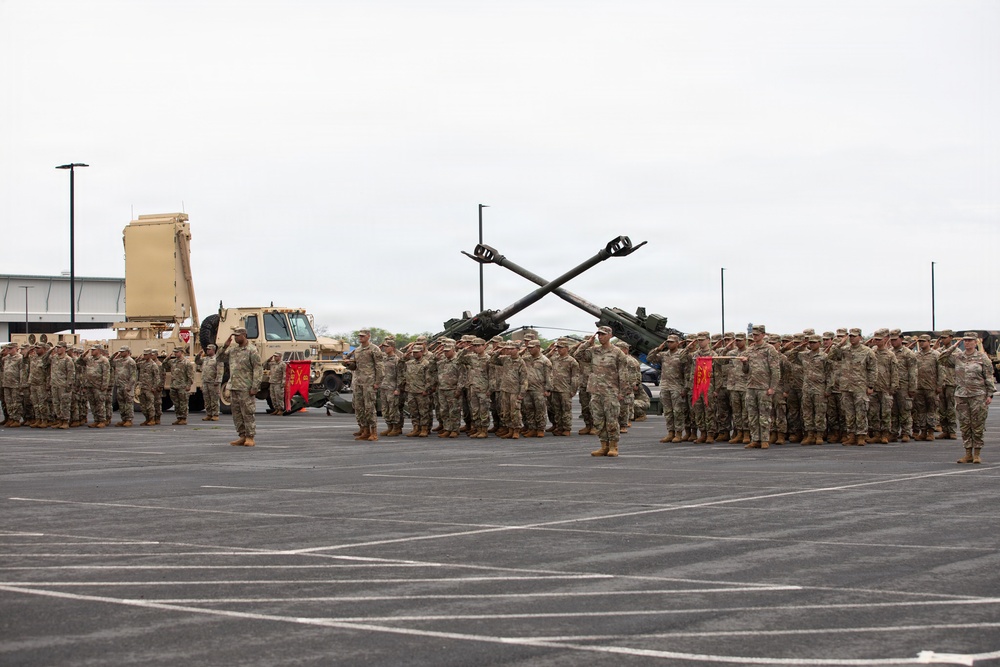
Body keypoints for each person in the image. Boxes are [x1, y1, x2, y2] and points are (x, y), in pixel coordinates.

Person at [938, 332, 995, 464]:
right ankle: (968, 453)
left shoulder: (982, 358)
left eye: (970, 340)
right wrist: (953, 346)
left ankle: (977, 453)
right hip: (962, 396)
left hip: (978, 396)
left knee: (977, 425)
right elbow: (941, 359)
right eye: (965, 340)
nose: (967, 343)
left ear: (976, 342)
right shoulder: (958, 357)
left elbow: (989, 377)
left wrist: (990, 395)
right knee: (964, 425)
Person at [575, 326, 629, 457]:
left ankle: (613, 446)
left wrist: (622, 392)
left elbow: (623, 373)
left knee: (611, 420)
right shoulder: (594, 351)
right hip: (596, 390)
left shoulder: (617, 353)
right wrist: (588, 343)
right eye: (598, 334)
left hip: (611, 391)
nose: (600, 337)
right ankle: (603, 445)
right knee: (598, 420)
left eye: (603, 334)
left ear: (610, 335)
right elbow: (577, 355)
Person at [829, 328, 876, 446]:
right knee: (849, 413)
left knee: (861, 412)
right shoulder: (844, 350)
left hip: (860, 386)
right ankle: (851, 435)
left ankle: (861, 435)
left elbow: (872, 370)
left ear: (860, 337)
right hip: (845, 386)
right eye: (850, 336)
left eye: (854, 336)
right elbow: (831, 356)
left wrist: (870, 385)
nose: (852, 338)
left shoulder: (867, 351)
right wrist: (840, 343)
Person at [218, 327, 262, 446]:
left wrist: (255, 386)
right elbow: (219, 358)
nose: (235, 338)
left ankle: (250, 436)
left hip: (246, 387)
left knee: (247, 412)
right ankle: (242, 435)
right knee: (236, 413)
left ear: (244, 335)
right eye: (234, 336)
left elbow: (258, 369)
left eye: (237, 335)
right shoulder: (233, 350)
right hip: (234, 386)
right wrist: (225, 346)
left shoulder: (252, 350)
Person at [741, 325, 781, 450]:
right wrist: (745, 363)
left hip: (764, 387)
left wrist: (772, 387)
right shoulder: (750, 350)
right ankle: (755, 439)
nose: (755, 337)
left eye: (757, 335)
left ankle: (765, 439)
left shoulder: (769, 349)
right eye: (753, 335)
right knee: (752, 415)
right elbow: (745, 371)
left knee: (764, 415)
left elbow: (775, 370)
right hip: (751, 386)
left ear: (763, 335)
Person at [646, 334, 688, 444]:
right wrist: (658, 349)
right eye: (668, 342)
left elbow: (687, 372)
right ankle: (670, 432)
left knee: (678, 411)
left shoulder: (681, 354)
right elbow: (649, 358)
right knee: (668, 411)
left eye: (672, 342)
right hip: (665, 386)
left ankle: (679, 433)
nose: (669, 344)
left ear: (677, 343)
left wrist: (685, 388)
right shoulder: (664, 355)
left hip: (677, 386)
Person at [344, 329, 385, 442]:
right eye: (359, 336)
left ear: (368, 336)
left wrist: (377, 382)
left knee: (369, 407)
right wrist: (348, 364)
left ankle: (373, 431)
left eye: (362, 336)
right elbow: (355, 367)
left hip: (369, 382)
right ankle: (364, 430)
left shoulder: (374, 349)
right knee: (359, 407)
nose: (360, 338)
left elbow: (379, 367)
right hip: (358, 382)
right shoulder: (357, 350)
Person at [548, 338, 580, 437]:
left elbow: (575, 377)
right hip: (555, 388)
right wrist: (551, 351)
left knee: (566, 410)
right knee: (556, 410)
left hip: (565, 389)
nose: (559, 350)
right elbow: (544, 359)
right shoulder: (554, 359)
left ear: (567, 348)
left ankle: (567, 428)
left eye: (561, 348)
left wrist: (573, 389)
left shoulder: (572, 361)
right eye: (557, 348)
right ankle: (559, 427)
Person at [400, 343, 432, 437]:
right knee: (413, 411)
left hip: (421, 391)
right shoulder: (409, 363)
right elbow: (400, 365)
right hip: (411, 391)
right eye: (413, 352)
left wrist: (427, 389)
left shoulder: (426, 364)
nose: (414, 354)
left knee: (423, 412)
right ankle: (416, 428)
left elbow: (429, 378)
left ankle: (424, 429)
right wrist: (405, 356)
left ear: (422, 352)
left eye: (417, 352)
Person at [913, 334, 940, 440]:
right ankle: (923, 431)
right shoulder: (916, 355)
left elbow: (941, 371)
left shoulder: (935, 355)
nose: (921, 343)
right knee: (921, 410)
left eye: (923, 341)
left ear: (929, 342)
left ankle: (931, 431)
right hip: (919, 386)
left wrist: (939, 385)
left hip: (931, 386)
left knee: (931, 410)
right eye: (920, 341)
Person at [162, 347, 195, 425]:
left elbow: (190, 376)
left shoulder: (186, 363)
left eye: (177, 352)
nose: (175, 353)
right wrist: (167, 358)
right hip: (174, 386)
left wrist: (189, 385)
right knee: (176, 403)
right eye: (174, 352)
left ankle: (183, 418)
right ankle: (179, 417)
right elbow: (164, 365)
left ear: (181, 352)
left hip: (182, 386)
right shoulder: (173, 362)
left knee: (183, 403)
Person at [378, 337, 404, 436]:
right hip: (384, 387)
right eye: (384, 346)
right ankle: (389, 427)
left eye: (387, 346)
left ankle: (396, 428)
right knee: (385, 409)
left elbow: (400, 375)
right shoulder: (383, 358)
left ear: (392, 347)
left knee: (393, 408)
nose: (385, 348)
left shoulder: (397, 360)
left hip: (392, 388)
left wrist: (398, 388)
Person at [48, 342, 75, 429]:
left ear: (64, 348)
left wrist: (69, 385)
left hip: (63, 385)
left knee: (65, 404)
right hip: (54, 384)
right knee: (56, 404)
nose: (58, 349)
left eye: (60, 347)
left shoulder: (68, 359)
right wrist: (50, 350)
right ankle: (59, 419)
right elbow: (44, 360)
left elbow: (71, 374)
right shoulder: (54, 358)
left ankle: (65, 421)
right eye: (57, 348)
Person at [84, 345, 111, 428]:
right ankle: (96, 420)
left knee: (100, 404)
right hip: (90, 385)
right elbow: (79, 362)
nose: (91, 351)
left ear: (99, 350)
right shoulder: (89, 359)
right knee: (92, 404)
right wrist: (83, 355)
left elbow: (106, 374)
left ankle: (102, 420)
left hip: (98, 385)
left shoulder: (104, 360)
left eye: (94, 350)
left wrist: (104, 385)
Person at [111, 346, 137, 427]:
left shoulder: (131, 361)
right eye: (120, 352)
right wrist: (113, 356)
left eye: (123, 352)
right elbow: (110, 363)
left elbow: (133, 375)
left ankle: (129, 419)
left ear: (127, 352)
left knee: (128, 403)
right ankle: (123, 419)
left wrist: (130, 385)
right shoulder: (119, 361)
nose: (121, 353)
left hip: (127, 385)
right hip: (119, 385)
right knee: (121, 403)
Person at [198, 344, 223, 422]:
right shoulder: (205, 359)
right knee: (207, 399)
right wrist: (198, 355)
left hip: (213, 382)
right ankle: (209, 414)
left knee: (214, 399)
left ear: (213, 350)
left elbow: (220, 371)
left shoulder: (217, 359)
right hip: (205, 381)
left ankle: (215, 414)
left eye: (209, 349)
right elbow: (197, 362)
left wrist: (217, 381)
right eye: (207, 349)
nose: (208, 350)